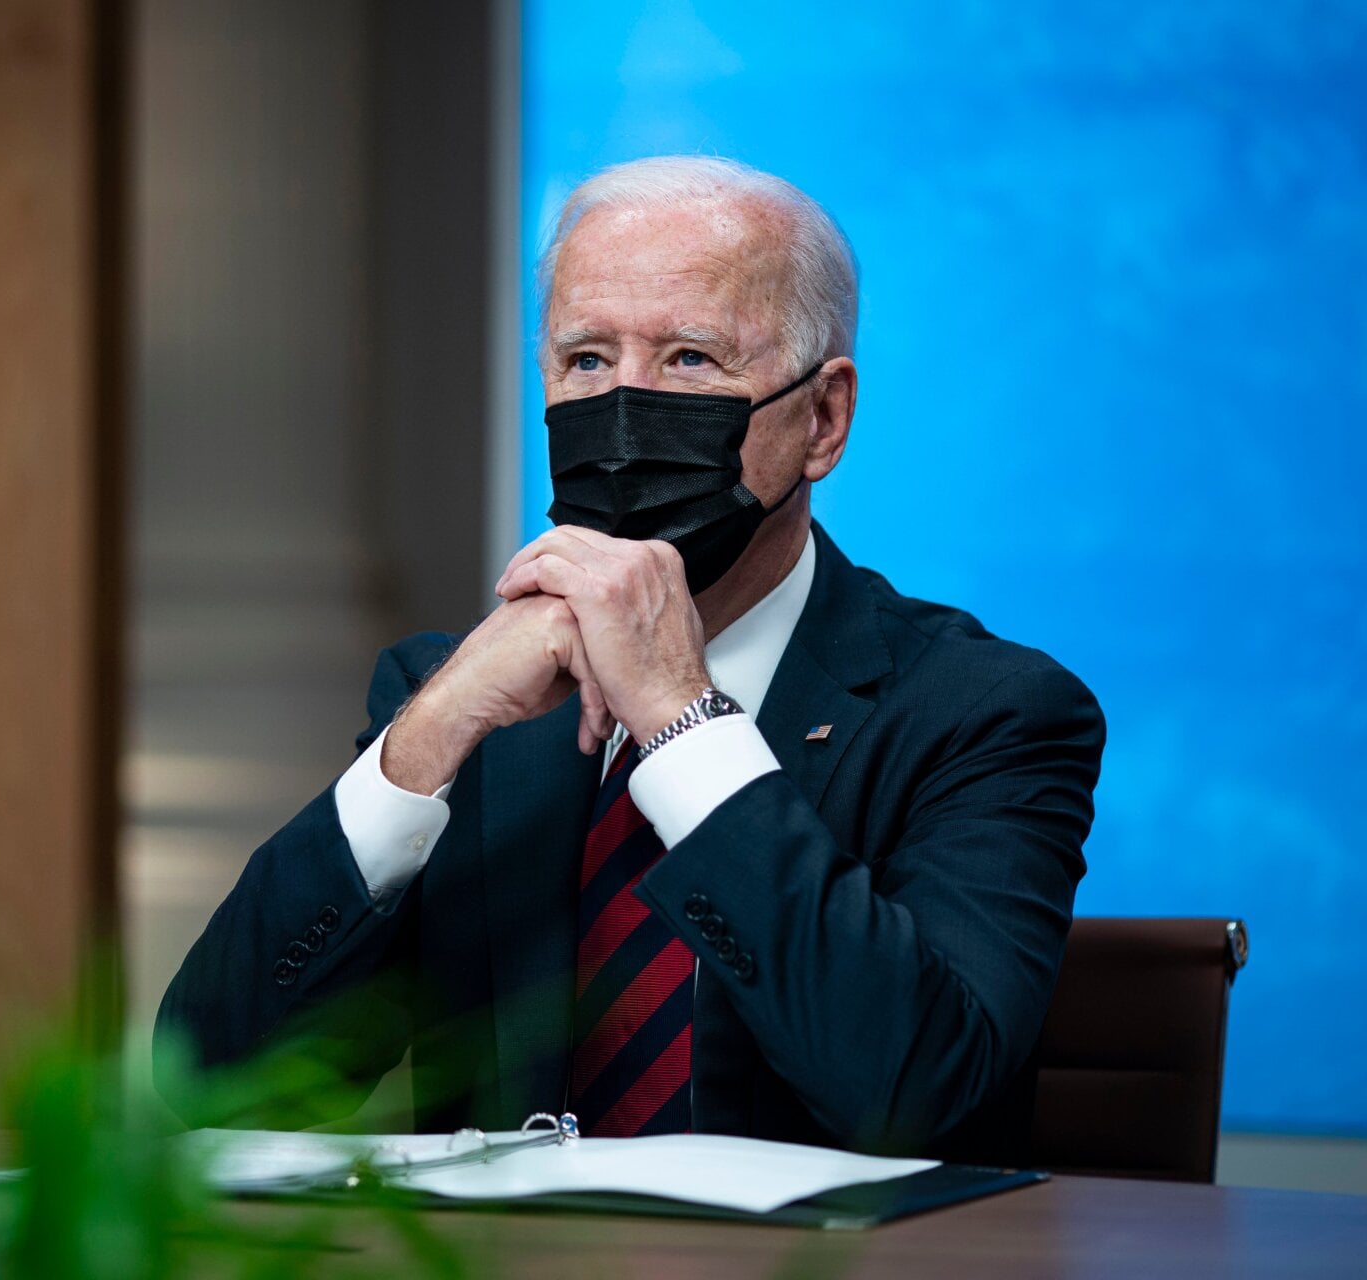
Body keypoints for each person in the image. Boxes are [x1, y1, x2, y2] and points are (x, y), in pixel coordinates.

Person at [155, 155, 1104, 1156]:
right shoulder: (460, 703)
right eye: (588, 361)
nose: (624, 410)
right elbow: (217, 1086)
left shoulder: (985, 711)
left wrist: (683, 718)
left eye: (691, 358)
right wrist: (426, 735)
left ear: (821, 419)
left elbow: (914, 1089)